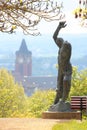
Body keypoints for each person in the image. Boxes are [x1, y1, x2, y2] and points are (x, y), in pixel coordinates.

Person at [53, 21, 72, 104]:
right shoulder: (61, 45)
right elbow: (54, 37)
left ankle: (63, 100)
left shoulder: (66, 46)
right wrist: (59, 27)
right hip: (61, 70)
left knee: (65, 83)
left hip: (67, 69)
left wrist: (67, 73)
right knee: (58, 88)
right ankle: (56, 103)